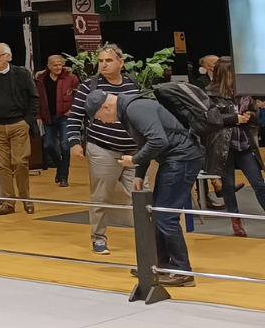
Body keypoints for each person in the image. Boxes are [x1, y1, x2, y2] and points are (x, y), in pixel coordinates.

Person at [86, 89, 203, 287]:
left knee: (166, 215)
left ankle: (183, 271)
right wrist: (139, 173)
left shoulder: (135, 108)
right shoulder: (127, 109)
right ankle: (160, 265)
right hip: (175, 159)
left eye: (100, 118)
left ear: (106, 107)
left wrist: (135, 161)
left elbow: (158, 140)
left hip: (183, 158)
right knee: (157, 213)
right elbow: (144, 142)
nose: (104, 122)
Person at [66, 43, 141, 255]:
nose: (104, 65)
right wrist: (74, 142)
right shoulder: (90, 86)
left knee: (141, 195)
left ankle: (148, 238)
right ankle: (98, 238)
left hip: (133, 151)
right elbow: (75, 117)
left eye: (108, 60)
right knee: (100, 197)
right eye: (101, 61)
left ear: (121, 62)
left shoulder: (132, 84)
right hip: (102, 148)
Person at [206, 57, 265, 238]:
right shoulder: (210, 93)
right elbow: (208, 119)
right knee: (228, 185)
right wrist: (234, 118)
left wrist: (250, 116)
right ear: (225, 73)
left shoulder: (244, 90)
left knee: (258, 184)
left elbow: (255, 112)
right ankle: (235, 220)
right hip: (223, 147)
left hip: (245, 143)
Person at [0, 42, 39, 215]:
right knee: (2, 166)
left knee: (20, 162)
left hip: (18, 124)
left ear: (9, 56)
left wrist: (27, 121)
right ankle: (8, 202)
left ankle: (25, 198)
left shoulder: (21, 74)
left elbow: (34, 98)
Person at [36, 55, 79, 187]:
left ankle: (64, 177)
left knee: (65, 146)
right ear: (49, 66)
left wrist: (72, 109)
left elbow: (79, 95)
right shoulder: (41, 78)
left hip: (65, 117)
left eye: (60, 64)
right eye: (55, 65)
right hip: (48, 117)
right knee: (48, 145)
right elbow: (37, 99)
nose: (58, 67)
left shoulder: (71, 77)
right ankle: (60, 167)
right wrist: (38, 116)